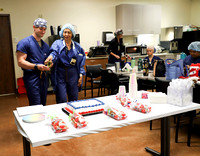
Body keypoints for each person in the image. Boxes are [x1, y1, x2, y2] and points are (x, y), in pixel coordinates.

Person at [45, 24, 86, 103]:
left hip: (73, 74)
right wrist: (50, 58)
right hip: (60, 74)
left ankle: (73, 114)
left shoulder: (77, 46)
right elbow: (54, 52)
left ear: (72, 34)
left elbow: (81, 61)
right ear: (62, 33)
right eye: (65, 32)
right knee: (62, 98)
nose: (66, 34)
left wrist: (81, 75)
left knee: (74, 98)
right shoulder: (57, 43)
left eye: (69, 32)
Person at [16, 18, 50, 106]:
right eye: (41, 29)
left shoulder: (45, 46)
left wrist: (50, 64)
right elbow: (20, 62)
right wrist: (36, 66)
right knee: (35, 104)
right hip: (32, 78)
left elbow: (47, 61)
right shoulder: (24, 43)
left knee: (43, 103)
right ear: (34, 27)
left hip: (43, 78)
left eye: (45, 29)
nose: (43, 31)